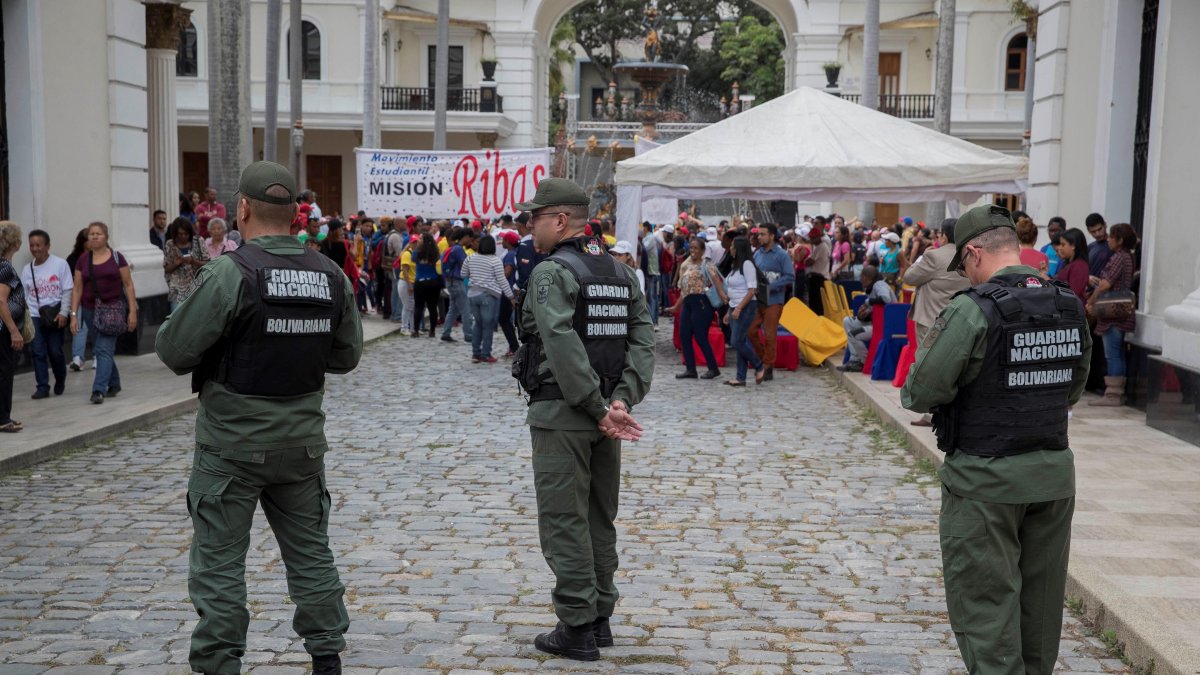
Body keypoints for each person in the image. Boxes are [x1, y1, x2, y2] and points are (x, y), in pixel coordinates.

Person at [155, 161, 361, 675]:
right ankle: (327, 656)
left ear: (242, 209)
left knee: (220, 565)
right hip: (301, 445)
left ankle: (220, 663)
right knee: (311, 553)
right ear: (295, 215)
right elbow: (346, 356)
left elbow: (175, 349)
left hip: (232, 447)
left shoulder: (230, 271)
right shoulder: (329, 272)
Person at [900, 204, 1089, 675]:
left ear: (974, 252)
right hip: (1051, 477)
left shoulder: (972, 309)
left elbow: (920, 391)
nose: (965, 273)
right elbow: (1074, 387)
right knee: (1040, 610)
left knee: (986, 610)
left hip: (986, 480)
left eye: (963, 265)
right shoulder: (1068, 303)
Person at [513, 178, 653, 662]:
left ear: (558, 220)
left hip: (566, 414)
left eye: (534, 218)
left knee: (564, 520)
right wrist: (622, 401)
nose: (528, 227)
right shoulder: (618, 271)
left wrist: (597, 407)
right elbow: (642, 337)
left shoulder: (552, 272)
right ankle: (600, 616)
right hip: (605, 416)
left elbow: (559, 341)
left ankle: (576, 626)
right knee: (598, 517)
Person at [900, 219, 969, 425]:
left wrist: (922, 258)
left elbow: (910, 277)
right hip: (959, 318)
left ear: (944, 236)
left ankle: (932, 412)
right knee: (956, 367)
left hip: (931, 319)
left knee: (929, 366)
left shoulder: (934, 256)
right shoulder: (968, 256)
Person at [69, 222, 138, 404]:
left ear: (106, 237)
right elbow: (77, 289)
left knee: (103, 349)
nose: (94, 236)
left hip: (113, 310)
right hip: (90, 311)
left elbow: (128, 285)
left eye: (98, 233)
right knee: (102, 349)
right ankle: (114, 383)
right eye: (91, 234)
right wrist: (74, 315)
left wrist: (132, 311)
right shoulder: (83, 260)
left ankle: (98, 389)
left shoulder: (117, 258)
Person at [1086, 222, 1138, 406]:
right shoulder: (1128, 257)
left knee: (1113, 353)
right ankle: (1117, 393)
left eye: (1111, 237)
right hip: (1121, 311)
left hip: (1113, 313)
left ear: (1120, 240)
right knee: (1117, 352)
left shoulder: (1119, 257)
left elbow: (1106, 283)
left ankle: (1113, 395)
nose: (1108, 239)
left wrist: (1091, 300)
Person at [21, 229, 73, 399]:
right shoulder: (27, 269)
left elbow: (67, 290)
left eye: (39, 245)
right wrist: (26, 317)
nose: (35, 249)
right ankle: (42, 386)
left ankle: (60, 378)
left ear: (47, 246)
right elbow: (25, 294)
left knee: (55, 351)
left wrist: (65, 313)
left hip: (55, 314)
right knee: (37, 351)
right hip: (35, 314)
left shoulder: (60, 264)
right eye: (32, 245)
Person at [667, 237, 726, 380]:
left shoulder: (707, 265)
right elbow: (685, 290)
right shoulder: (688, 265)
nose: (692, 251)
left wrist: (724, 297)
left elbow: (717, 281)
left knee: (700, 337)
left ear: (702, 251)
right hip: (687, 302)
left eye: (696, 248)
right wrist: (676, 307)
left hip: (701, 303)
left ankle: (713, 368)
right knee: (684, 336)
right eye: (691, 248)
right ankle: (690, 369)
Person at [750, 223, 794, 381]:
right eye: (759, 234)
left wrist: (771, 287)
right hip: (757, 300)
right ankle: (764, 360)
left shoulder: (782, 255)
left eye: (762, 234)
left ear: (772, 236)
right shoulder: (757, 254)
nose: (759, 237)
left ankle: (768, 366)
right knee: (750, 331)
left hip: (774, 300)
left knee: (770, 335)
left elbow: (790, 276)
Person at [461, 235, 514, 363]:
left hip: (473, 294)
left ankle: (476, 353)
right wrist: (511, 296)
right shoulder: (495, 260)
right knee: (488, 325)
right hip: (489, 296)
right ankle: (486, 354)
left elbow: (463, 274)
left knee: (478, 324)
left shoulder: (471, 258)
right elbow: (502, 280)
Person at [836, 265, 896, 372]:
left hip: (883, 326)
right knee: (847, 321)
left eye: (861, 277)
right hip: (874, 323)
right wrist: (862, 315)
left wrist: (869, 302)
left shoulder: (879, 284)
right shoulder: (871, 288)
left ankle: (863, 361)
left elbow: (885, 299)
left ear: (866, 277)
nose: (860, 280)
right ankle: (855, 359)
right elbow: (873, 312)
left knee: (853, 334)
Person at [723, 236, 765, 386]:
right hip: (734, 306)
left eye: (733, 246)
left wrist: (739, 307)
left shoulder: (747, 264)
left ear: (739, 248)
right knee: (741, 341)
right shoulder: (736, 266)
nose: (731, 249)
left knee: (736, 341)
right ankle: (740, 377)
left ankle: (759, 365)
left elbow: (752, 290)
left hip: (746, 307)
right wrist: (729, 311)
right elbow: (734, 289)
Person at [0, 221, 27, 432]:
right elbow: (1, 301)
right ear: (15, 244)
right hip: (3, 329)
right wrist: (14, 330)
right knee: (4, 372)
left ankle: (4, 415)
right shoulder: (5, 267)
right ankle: (3, 419)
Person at [163, 217, 211, 312]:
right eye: (180, 234)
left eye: (186, 234)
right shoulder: (170, 244)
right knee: (176, 319)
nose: (183, 236)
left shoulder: (198, 241)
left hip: (197, 287)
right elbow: (166, 269)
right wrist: (176, 264)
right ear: (175, 233)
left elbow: (209, 263)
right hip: (176, 290)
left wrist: (194, 261)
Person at [441, 228, 474, 342]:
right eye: (469, 237)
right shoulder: (459, 250)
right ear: (464, 237)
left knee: (453, 309)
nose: (470, 240)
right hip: (457, 282)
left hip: (450, 282)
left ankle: (446, 332)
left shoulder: (451, 249)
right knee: (466, 308)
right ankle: (469, 335)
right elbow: (466, 266)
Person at [65, 227, 91, 372]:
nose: (92, 241)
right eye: (88, 238)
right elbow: (68, 279)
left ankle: (98, 357)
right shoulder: (74, 258)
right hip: (79, 297)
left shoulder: (102, 256)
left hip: (97, 297)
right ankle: (77, 358)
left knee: (97, 327)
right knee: (79, 326)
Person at [411, 233, 443, 338]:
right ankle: (432, 331)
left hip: (420, 281)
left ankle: (415, 330)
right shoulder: (435, 253)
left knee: (418, 307)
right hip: (433, 282)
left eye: (420, 238)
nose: (418, 240)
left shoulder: (416, 253)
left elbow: (412, 259)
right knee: (432, 307)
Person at [497, 231, 521, 357]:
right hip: (513, 290)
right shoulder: (516, 252)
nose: (502, 242)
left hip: (509, 292)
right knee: (508, 320)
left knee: (504, 319)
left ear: (508, 242)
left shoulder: (510, 255)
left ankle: (514, 347)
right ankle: (513, 346)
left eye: (504, 240)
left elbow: (507, 272)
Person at [1053, 228, 1090, 303]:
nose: (1060, 248)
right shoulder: (1070, 264)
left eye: (1063, 244)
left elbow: (1073, 294)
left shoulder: (1079, 266)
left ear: (1073, 246)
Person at [804, 224, 831, 317]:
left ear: (818, 237)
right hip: (816, 277)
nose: (810, 240)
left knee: (817, 303)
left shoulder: (821, 247)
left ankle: (818, 319)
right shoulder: (818, 246)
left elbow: (809, 262)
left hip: (819, 277)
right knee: (815, 302)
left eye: (812, 238)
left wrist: (806, 260)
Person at [640, 222, 664, 326]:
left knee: (652, 297)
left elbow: (643, 248)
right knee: (651, 297)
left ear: (645, 228)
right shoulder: (649, 238)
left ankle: (653, 321)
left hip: (652, 272)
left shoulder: (650, 238)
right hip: (650, 271)